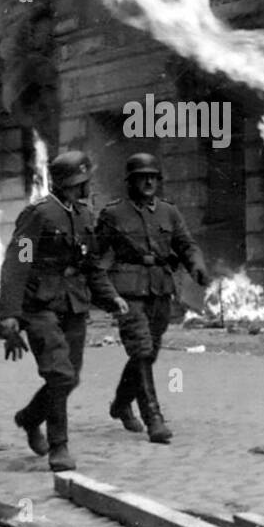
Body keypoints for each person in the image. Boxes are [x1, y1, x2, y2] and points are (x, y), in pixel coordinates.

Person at [0, 150, 128, 471]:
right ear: (70, 183)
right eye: (83, 181)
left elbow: (92, 264)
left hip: (74, 303)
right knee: (60, 373)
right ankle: (59, 446)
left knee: (71, 378)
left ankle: (29, 418)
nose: (87, 186)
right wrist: (10, 314)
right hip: (38, 305)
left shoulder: (84, 214)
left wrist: (111, 298)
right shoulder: (37, 214)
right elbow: (16, 264)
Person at [95, 153, 208, 444]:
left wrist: (196, 265)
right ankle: (153, 419)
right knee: (142, 350)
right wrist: (103, 292)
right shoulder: (113, 214)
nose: (148, 181)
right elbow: (95, 256)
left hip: (160, 289)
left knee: (149, 353)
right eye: (141, 177)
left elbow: (186, 244)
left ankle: (121, 404)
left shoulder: (169, 212)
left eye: (153, 177)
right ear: (130, 181)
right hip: (128, 290)